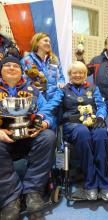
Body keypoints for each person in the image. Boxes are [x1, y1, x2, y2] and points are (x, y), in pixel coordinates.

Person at [39, 61, 108, 201]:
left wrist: (100, 117)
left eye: (81, 72)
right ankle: (90, 184)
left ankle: (105, 185)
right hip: (73, 126)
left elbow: (101, 105)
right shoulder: (63, 90)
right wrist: (40, 115)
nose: (78, 75)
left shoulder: (93, 88)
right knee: (83, 132)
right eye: (75, 72)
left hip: (92, 122)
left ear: (85, 75)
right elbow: (52, 104)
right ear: (69, 75)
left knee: (102, 134)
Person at [0, 56, 56, 220]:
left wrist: (44, 123)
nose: (11, 68)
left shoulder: (33, 90)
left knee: (48, 137)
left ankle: (33, 192)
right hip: (4, 138)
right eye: (7, 65)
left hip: (30, 136)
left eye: (15, 66)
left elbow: (47, 112)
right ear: (1, 70)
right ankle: (10, 199)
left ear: (21, 71)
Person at [21, 32, 65, 101]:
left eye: (49, 42)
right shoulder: (26, 60)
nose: (48, 43)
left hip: (54, 99)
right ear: (37, 43)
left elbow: (61, 77)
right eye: (45, 41)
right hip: (36, 98)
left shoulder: (54, 60)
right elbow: (22, 80)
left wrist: (61, 82)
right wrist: (31, 86)